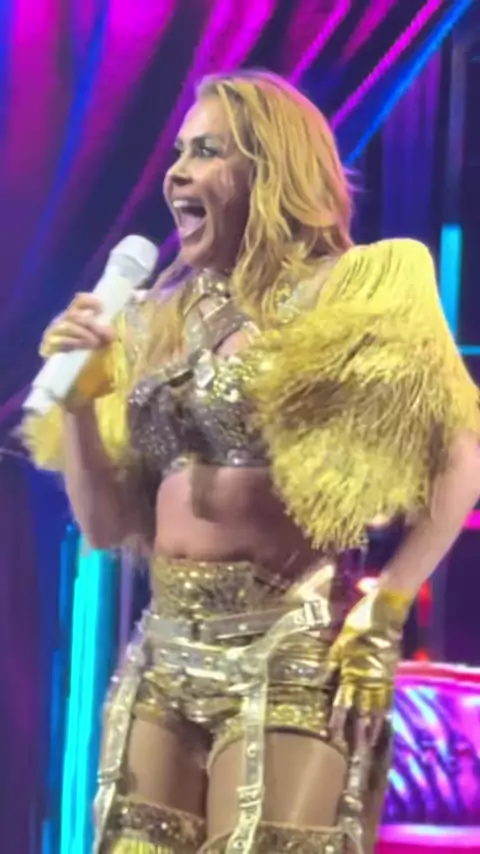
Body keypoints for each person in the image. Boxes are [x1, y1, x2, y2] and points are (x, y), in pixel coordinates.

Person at [24, 70, 480, 854]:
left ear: (272, 170)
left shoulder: (358, 289)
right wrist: (78, 405)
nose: (177, 173)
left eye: (207, 152)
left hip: (291, 643)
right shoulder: (152, 317)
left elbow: (461, 460)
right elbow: (103, 526)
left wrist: (386, 607)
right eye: (178, 152)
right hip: (165, 647)